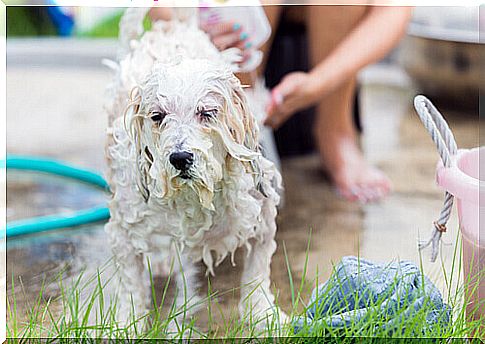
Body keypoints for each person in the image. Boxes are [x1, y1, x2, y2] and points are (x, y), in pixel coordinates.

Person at [149, 5, 413, 203]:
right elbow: (160, 8)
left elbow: (393, 9)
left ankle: (334, 129)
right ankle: (240, 128)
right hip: (232, 42)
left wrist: (319, 82)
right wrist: (194, 27)